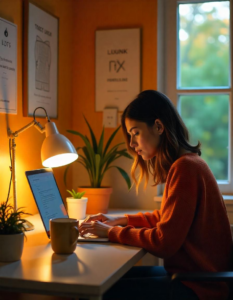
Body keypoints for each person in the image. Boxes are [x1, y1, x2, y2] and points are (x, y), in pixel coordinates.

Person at [79, 90, 232, 300]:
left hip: (199, 288)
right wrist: (120, 220)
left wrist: (111, 232)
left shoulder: (185, 168)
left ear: (159, 127)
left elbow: (164, 242)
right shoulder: (189, 163)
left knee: (97, 290)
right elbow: (168, 219)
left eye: (135, 133)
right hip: (194, 278)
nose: (132, 144)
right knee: (105, 280)